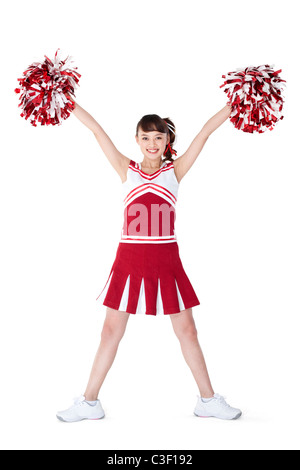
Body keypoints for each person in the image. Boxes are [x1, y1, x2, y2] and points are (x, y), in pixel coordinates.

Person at [56, 102, 242, 422]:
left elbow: (206, 131)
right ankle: (89, 402)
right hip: (128, 260)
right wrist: (65, 99)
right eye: (146, 137)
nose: (153, 143)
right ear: (137, 140)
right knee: (111, 330)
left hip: (167, 261)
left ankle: (207, 400)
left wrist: (236, 102)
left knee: (187, 330)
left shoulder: (175, 171)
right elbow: (97, 130)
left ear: (167, 142)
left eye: (158, 137)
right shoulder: (126, 169)